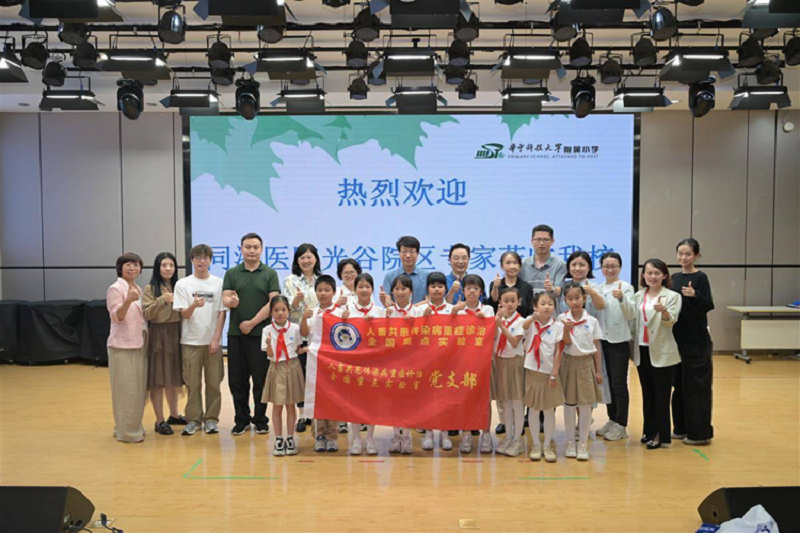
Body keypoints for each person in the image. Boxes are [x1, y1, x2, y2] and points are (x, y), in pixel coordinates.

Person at [222, 233, 281, 436]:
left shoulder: (270, 273)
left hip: (261, 335)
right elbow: (225, 297)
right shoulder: (232, 273)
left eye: (256, 247)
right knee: (237, 380)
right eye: (248, 247)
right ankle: (242, 419)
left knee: (261, 380)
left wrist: (252, 323)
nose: (252, 251)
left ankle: (260, 419)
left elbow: (273, 302)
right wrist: (230, 302)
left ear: (261, 250)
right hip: (236, 335)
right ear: (241, 249)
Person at [173, 244, 227, 436]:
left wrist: (216, 338)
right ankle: (193, 420)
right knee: (192, 384)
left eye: (205, 258)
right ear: (192, 260)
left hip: (212, 342)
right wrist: (194, 305)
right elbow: (184, 314)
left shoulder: (219, 283)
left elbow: (222, 313)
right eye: (198, 258)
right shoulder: (183, 284)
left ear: (211, 260)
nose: (201, 261)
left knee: (214, 383)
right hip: (190, 342)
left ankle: (211, 419)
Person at [632, 259, 682, 450]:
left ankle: (660, 434)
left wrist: (664, 312)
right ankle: (649, 431)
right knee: (647, 393)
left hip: (662, 351)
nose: (653, 276)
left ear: (664, 275)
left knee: (661, 395)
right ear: (643, 275)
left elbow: (670, 322)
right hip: (642, 349)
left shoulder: (672, 296)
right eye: (649, 273)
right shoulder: (638, 296)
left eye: (657, 273)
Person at [672, 238, 715, 446]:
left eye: (688, 254)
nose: (683, 257)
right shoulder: (673, 278)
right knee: (679, 386)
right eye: (680, 253)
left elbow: (708, 305)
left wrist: (695, 294)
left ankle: (700, 434)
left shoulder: (701, 277)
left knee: (697, 387)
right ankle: (681, 428)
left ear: (696, 255)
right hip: (676, 341)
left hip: (697, 342)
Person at [488, 251, 533, 435]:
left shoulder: (526, 287)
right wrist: (495, 289)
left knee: (516, 391)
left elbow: (530, 311)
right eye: (508, 262)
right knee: (503, 391)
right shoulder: (496, 284)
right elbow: (491, 304)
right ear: (502, 265)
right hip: (500, 339)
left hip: (518, 333)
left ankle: (517, 424)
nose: (512, 266)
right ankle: (504, 422)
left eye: (515, 262)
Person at [559, 282, 604, 461]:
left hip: (586, 364)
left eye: (577, 298)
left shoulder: (591, 321)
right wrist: (566, 330)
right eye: (570, 298)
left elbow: (597, 347)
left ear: (584, 298)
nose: (574, 302)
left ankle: (583, 444)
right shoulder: (562, 319)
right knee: (569, 405)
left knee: (585, 405)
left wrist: (598, 370)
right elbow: (564, 343)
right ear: (565, 301)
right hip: (567, 363)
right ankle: (570, 442)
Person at [141, 252, 185, 436]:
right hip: (159, 335)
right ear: (157, 268)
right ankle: (159, 420)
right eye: (164, 265)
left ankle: (174, 415)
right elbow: (146, 314)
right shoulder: (150, 288)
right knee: (158, 380)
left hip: (177, 333)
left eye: (171, 265)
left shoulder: (180, 286)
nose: (168, 269)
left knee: (173, 378)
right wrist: (161, 300)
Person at [106, 253, 148, 443]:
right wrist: (128, 300)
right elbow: (117, 316)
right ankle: (128, 432)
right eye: (128, 265)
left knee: (137, 390)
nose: (133, 268)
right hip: (122, 346)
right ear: (120, 268)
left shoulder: (138, 288)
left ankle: (129, 425)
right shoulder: (116, 289)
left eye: (136, 265)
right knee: (125, 390)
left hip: (138, 343)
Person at [450, 274, 495, 454]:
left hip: (483, 363)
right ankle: (466, 433)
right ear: (463, 291)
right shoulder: (458, 310)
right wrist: (453, 312)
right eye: (468, 288)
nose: (472, 292)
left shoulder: (488, 310)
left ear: (481, 292)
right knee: (465, 399)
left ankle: (486, 435)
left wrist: (484, 321)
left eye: (476, 289)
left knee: (485, 399)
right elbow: (447, 332)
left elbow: (493, 334)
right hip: (463, 363)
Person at [411, 272, 455, 452]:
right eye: (433, 286)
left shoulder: (452, 309)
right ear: (427, 289)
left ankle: (445, 434)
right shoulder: (419, 310)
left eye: (440, 286)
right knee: (427, 399)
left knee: (445, 398)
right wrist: (423, 319)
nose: (437, 289)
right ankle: (428, 433)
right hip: (426, 362)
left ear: (445, 289)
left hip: (447, 361)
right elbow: (411, 334)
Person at [300, 275, 344, 452]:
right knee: (317, 397)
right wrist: (304, 318)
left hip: (334, 362)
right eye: (320, 290)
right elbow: (304, 333)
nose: (323, 293)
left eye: (327, 290)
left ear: (334, 292)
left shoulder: (340, 312)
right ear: (315, 292)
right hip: (315, 363)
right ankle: (318, 435)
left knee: (334, 397)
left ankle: (332, 436)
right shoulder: (312, 312)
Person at [596, 252, 636, 442]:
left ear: (620, 267)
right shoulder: (598, 288)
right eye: (606, 266)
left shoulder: (626, 287)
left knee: (619, 384)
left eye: (614, 266)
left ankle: (621, 424)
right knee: (608, 383)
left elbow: (631, 314)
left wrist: (622, 299)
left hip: (619, 342)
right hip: (602, 341)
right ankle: (612, 419)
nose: (610, 270)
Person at [282, 243, 321, 434]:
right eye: (302, 257)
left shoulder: (322, 280)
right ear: (297, 261)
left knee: (316, 376)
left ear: (316, 259)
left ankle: (316, 413)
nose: (306, 261)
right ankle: (302, 415)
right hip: (297, 335)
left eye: (309, 256)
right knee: (300, 376)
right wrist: (295, 302)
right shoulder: (290, 280)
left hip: (318, 335)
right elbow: (286, 308)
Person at [522, 291, 565, 463]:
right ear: (535, 306)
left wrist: (554, 373)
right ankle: (535, 445)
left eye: (550, 304)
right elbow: (523, 327)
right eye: (543, 303)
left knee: (548, 410)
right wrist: (531, 319)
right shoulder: (531, 322)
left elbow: (559, 352)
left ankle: (547, 445)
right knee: (533, 409)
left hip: (549, 373)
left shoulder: (558, 326)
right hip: (532, 372)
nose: (547, 307)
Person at [343, 273, 382, 455]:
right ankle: (356, 438)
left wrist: (375, 324)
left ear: (372, 289)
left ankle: (370, 438)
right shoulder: (347, 311)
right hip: (354, 364)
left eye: (367, 286)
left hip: (374, 364)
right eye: (360, 286)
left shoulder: (380, 311)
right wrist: (343, 320)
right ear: (355, 289)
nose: (364, 290)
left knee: (372, 402)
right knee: (354, 402)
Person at [262, 295, 304, 457]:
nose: (280, 313)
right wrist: (268, 344)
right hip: (276, 367)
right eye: (276, 310)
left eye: (283, 309)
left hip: (292, 367)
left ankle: (290, 438)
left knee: (291, 405)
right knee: (277, 405)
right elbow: (269, 354)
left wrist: (308, 350)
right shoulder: (267, 330)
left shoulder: (295, 328)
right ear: (271, 312)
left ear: (288, 311)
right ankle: (279, 439)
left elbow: (298, 348)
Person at [492, 287, 527, 457]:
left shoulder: (521, 321)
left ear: (519, 302)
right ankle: (508, 437)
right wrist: (496, 322)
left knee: (517, 403)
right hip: (500, 362)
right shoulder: (497, 319)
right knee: (505, 402)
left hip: (515, 363)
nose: (510, 304)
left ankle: (518, 440)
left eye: (513, 300)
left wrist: (503, 327)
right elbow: (491, 338)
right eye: (506, 301)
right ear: (500, 302)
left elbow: (514, 342)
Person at [384, 274, 416, 454]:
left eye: (404, 288)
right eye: (396, 289)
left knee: (409, 401)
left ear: (411, 291)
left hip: (412, 363)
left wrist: (415, 324)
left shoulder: (418, 312)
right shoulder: (387, 312)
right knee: (394, 401)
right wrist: (386, 320)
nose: (400, 292)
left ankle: (407, 436)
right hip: (393, 363)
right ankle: (396, 436)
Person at [520, 224, 567, 297]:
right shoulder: (523, 264)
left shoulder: (560, 264)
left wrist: (552, 289)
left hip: (550, 304)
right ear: (532, 241)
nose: (542, 243)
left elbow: (558, 291)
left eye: (546, 240)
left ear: (552, 241)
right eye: (538, 239)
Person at [381, 236, 430, 305]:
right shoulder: (390, 276)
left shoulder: (427, 276)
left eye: (412, 252)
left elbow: (429, 300)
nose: (408, 255)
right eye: (404, 252)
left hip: (420, 311)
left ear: (418, 253)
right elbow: (387, 299)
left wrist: (412, 309)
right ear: (399, 253)